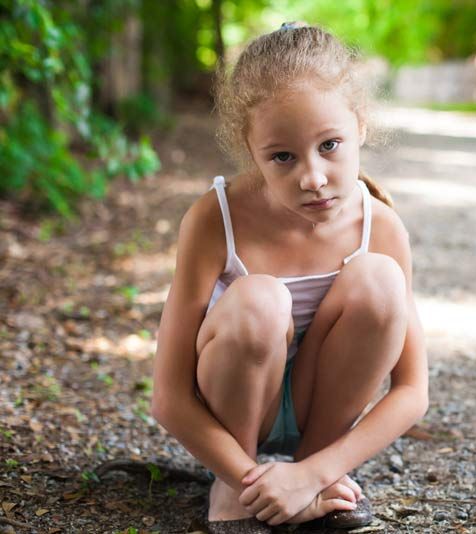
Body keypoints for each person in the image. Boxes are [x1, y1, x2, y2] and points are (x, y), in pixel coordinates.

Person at [150, 22, 428, 530]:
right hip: (232, 415)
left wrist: (315, 471)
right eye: (282, 156)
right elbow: (168, 397)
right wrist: (245, 477)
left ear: (360, 125)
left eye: (330, 145)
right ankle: (237, 492)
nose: (313, 178)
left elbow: (412, 390)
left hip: (319, 418)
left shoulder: (380, 226)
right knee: (258, 300)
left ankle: (313, 484)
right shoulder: (216, 220)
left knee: (380, 282)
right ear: (249, 150)